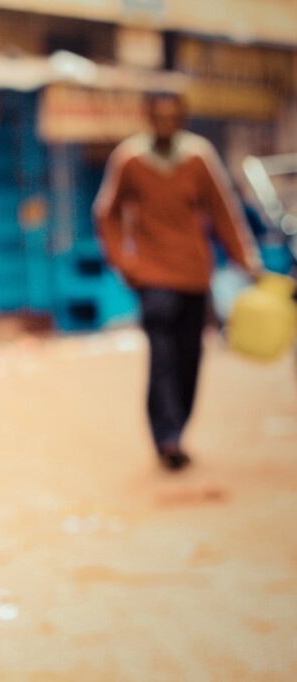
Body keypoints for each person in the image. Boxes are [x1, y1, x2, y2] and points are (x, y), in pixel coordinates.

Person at [93, 91, 262, 472]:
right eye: (159, 117)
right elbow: (107, 214)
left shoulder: (199, 157)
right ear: (148, 118)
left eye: (173, 117)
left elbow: (224, 214)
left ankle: (177, 429)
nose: (166, 124)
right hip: (152, 278)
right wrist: (126, 263)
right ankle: (166, 437)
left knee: (189, 359)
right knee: (163, 358)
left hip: (194, 275)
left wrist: (246, 261)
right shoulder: (130, 159)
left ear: (182, 119)